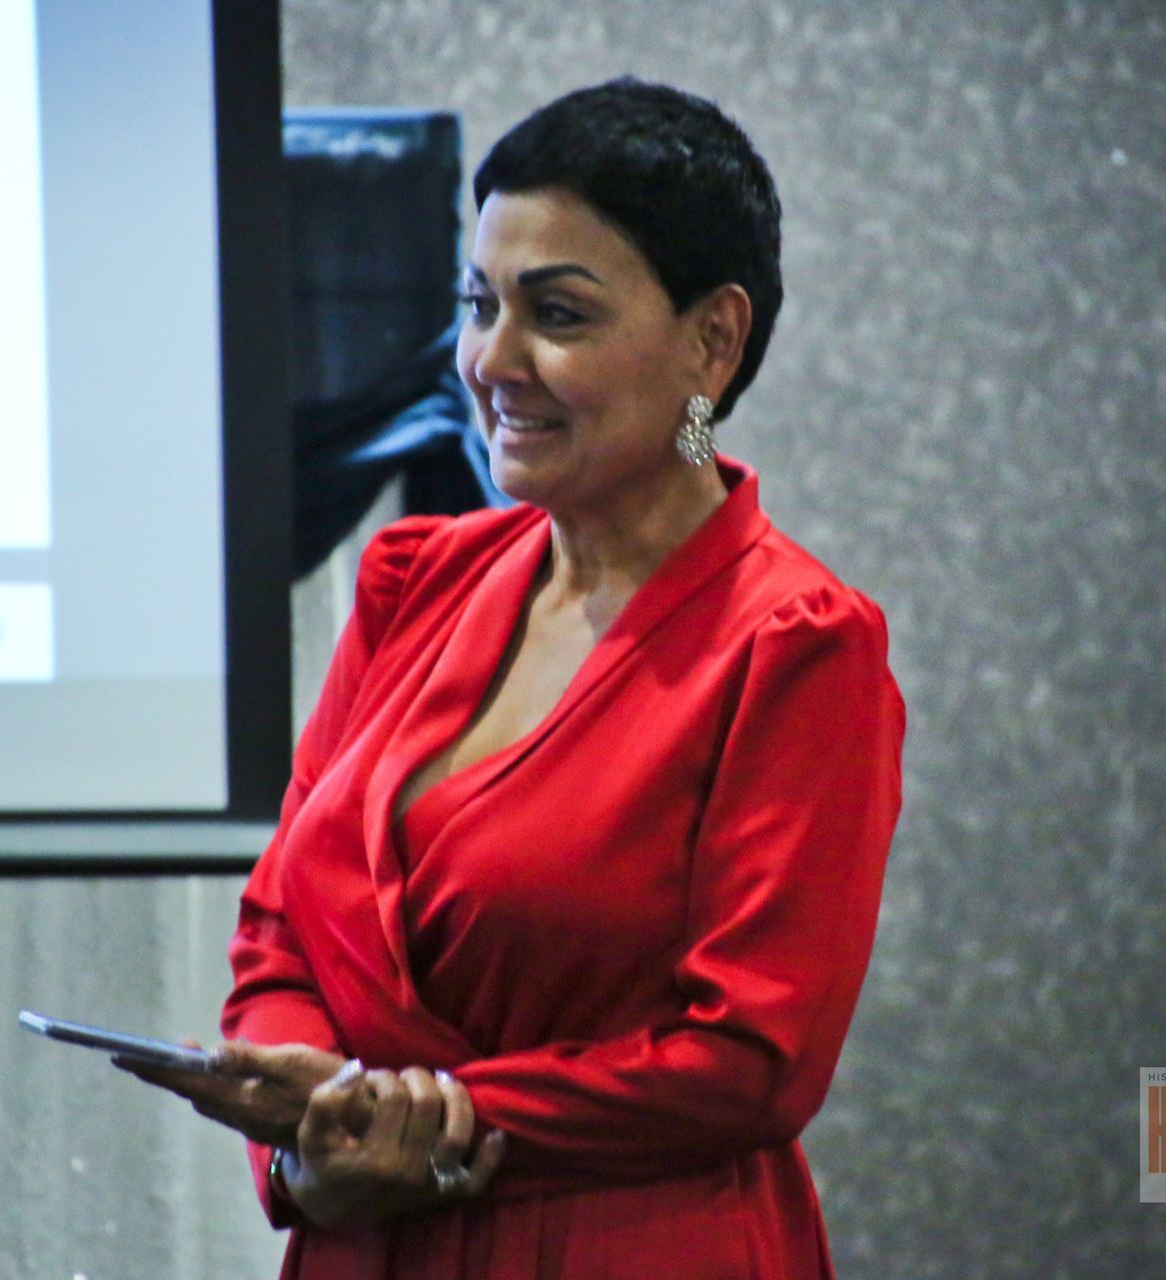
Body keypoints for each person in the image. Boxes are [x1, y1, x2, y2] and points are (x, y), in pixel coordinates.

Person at [120, 77, 906, 1279]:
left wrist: (440, 1121)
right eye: (478, 302)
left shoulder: (795, 643)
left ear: (713, 339)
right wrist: (308, 1156)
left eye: (560, 314)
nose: (492, 359)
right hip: (362, 1234)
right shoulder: (411, 581)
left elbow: (755, 1059)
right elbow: (282, 930)